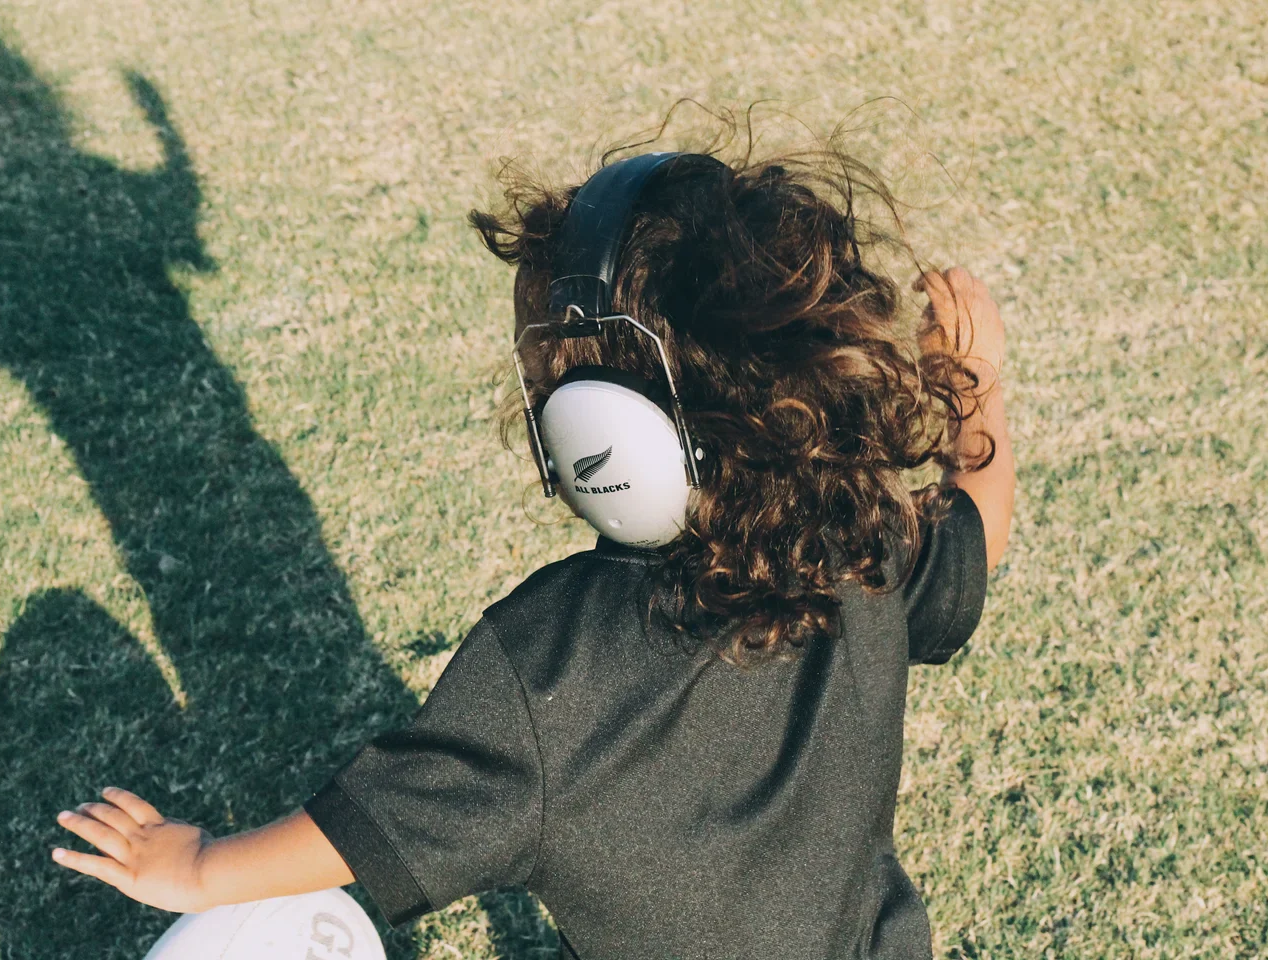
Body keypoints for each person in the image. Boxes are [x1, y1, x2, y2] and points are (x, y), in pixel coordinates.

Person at [51, 148, 1015, 959]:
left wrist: (199, 864)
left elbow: (369, 834)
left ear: (611, 432)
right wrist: (977, 393)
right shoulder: (858, 539)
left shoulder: (549, 663)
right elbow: (973, 537)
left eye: (547, 374)